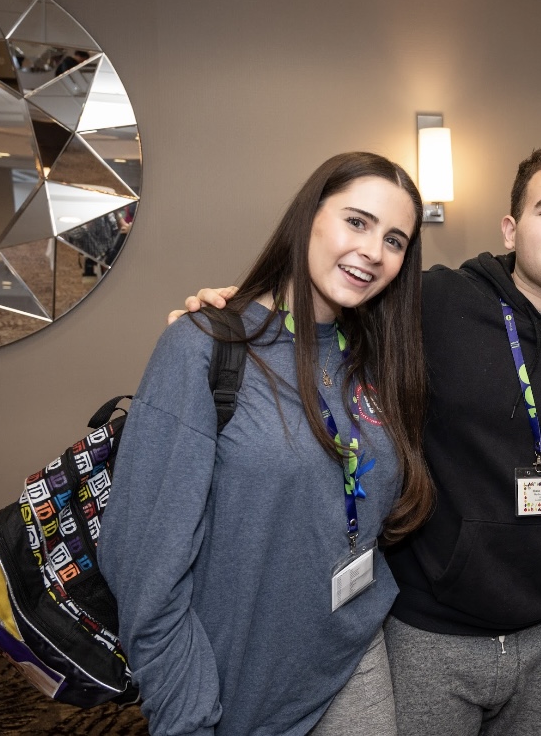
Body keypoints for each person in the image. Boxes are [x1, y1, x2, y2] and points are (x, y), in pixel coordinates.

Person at [175, 139, 541, 736]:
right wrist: (235, 319)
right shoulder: (430, 301)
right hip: (430, 628)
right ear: (510, 227)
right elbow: (322, 310)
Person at [100, 152, 435, 736]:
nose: (374, 251)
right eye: (357, 222)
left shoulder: (373, 356)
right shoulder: (203, 347)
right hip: (236, 689)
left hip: (351, 658)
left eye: (396, 240)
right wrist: (186, 715)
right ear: (308, 217)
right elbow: (144, 572)